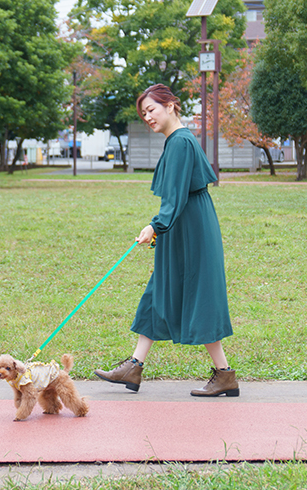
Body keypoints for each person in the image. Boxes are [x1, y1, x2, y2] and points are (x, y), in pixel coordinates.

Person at [94, 84, 238, 397]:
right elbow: (175, 195)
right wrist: (161, 225)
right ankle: (134, 365)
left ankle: (225, 374)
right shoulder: (175, 142)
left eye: (152, 109)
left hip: (192, 229)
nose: (148, 117)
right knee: (159, 290)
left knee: (200, 296)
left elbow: (174, 195)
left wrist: (155, 225)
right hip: (182, 225)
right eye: (143, 113)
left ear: (171, 105)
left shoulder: (181, 142)